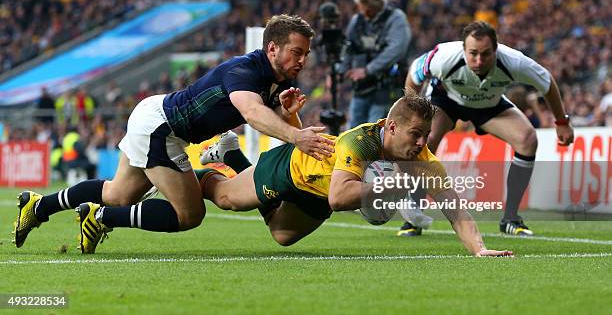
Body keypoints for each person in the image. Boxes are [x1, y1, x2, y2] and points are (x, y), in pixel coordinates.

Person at [13, 14, 335, 253]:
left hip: (156, 116)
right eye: (297, 52)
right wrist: (297, 135)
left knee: (118, 194)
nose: (303, 60)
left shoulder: (272, 82)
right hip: (162, 129)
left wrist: (287, 114)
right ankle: (101, 218)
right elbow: (251, 112)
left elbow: (266, 120)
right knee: (190, 214)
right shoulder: (245, 70)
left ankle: (38, 207)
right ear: (273, 48)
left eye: (306, 53)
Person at [196, 93, 512, 257]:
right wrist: (390, 185)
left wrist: (479, 248)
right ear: (391, 127)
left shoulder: (424, 159)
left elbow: (455, 209)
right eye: (416, 134)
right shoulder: (358, 141)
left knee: (282, 235)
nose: (422, 143)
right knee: (227, 200)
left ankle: (231, 155)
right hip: (293, 168)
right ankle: (193, 177)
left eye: (426, 134)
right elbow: (338, 198)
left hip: (316, 193)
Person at [400, 21, 574, 237]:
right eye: (473, 54)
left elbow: (547, 83)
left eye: (486, 54)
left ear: (496, 49)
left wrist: (562, 122)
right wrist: (410, 116)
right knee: (426, 139)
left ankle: (511, 219)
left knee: (528, 139)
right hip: (446, 101)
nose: (479, 60)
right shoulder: (444, 57)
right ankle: (413, 215)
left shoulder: (514, 61)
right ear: (463, 50)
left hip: (488, 105)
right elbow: (414, 75)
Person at [340, 0, 412, 128]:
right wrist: (340, 70)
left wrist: (368, 70)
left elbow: (396, 50)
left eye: (362, 6)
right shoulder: (358, 20)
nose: (359, 10)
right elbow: (349, 46)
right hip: (362, 86)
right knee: (352, 130)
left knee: (376, 129)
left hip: (387, 87)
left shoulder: (396, 18)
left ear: (370, 6)